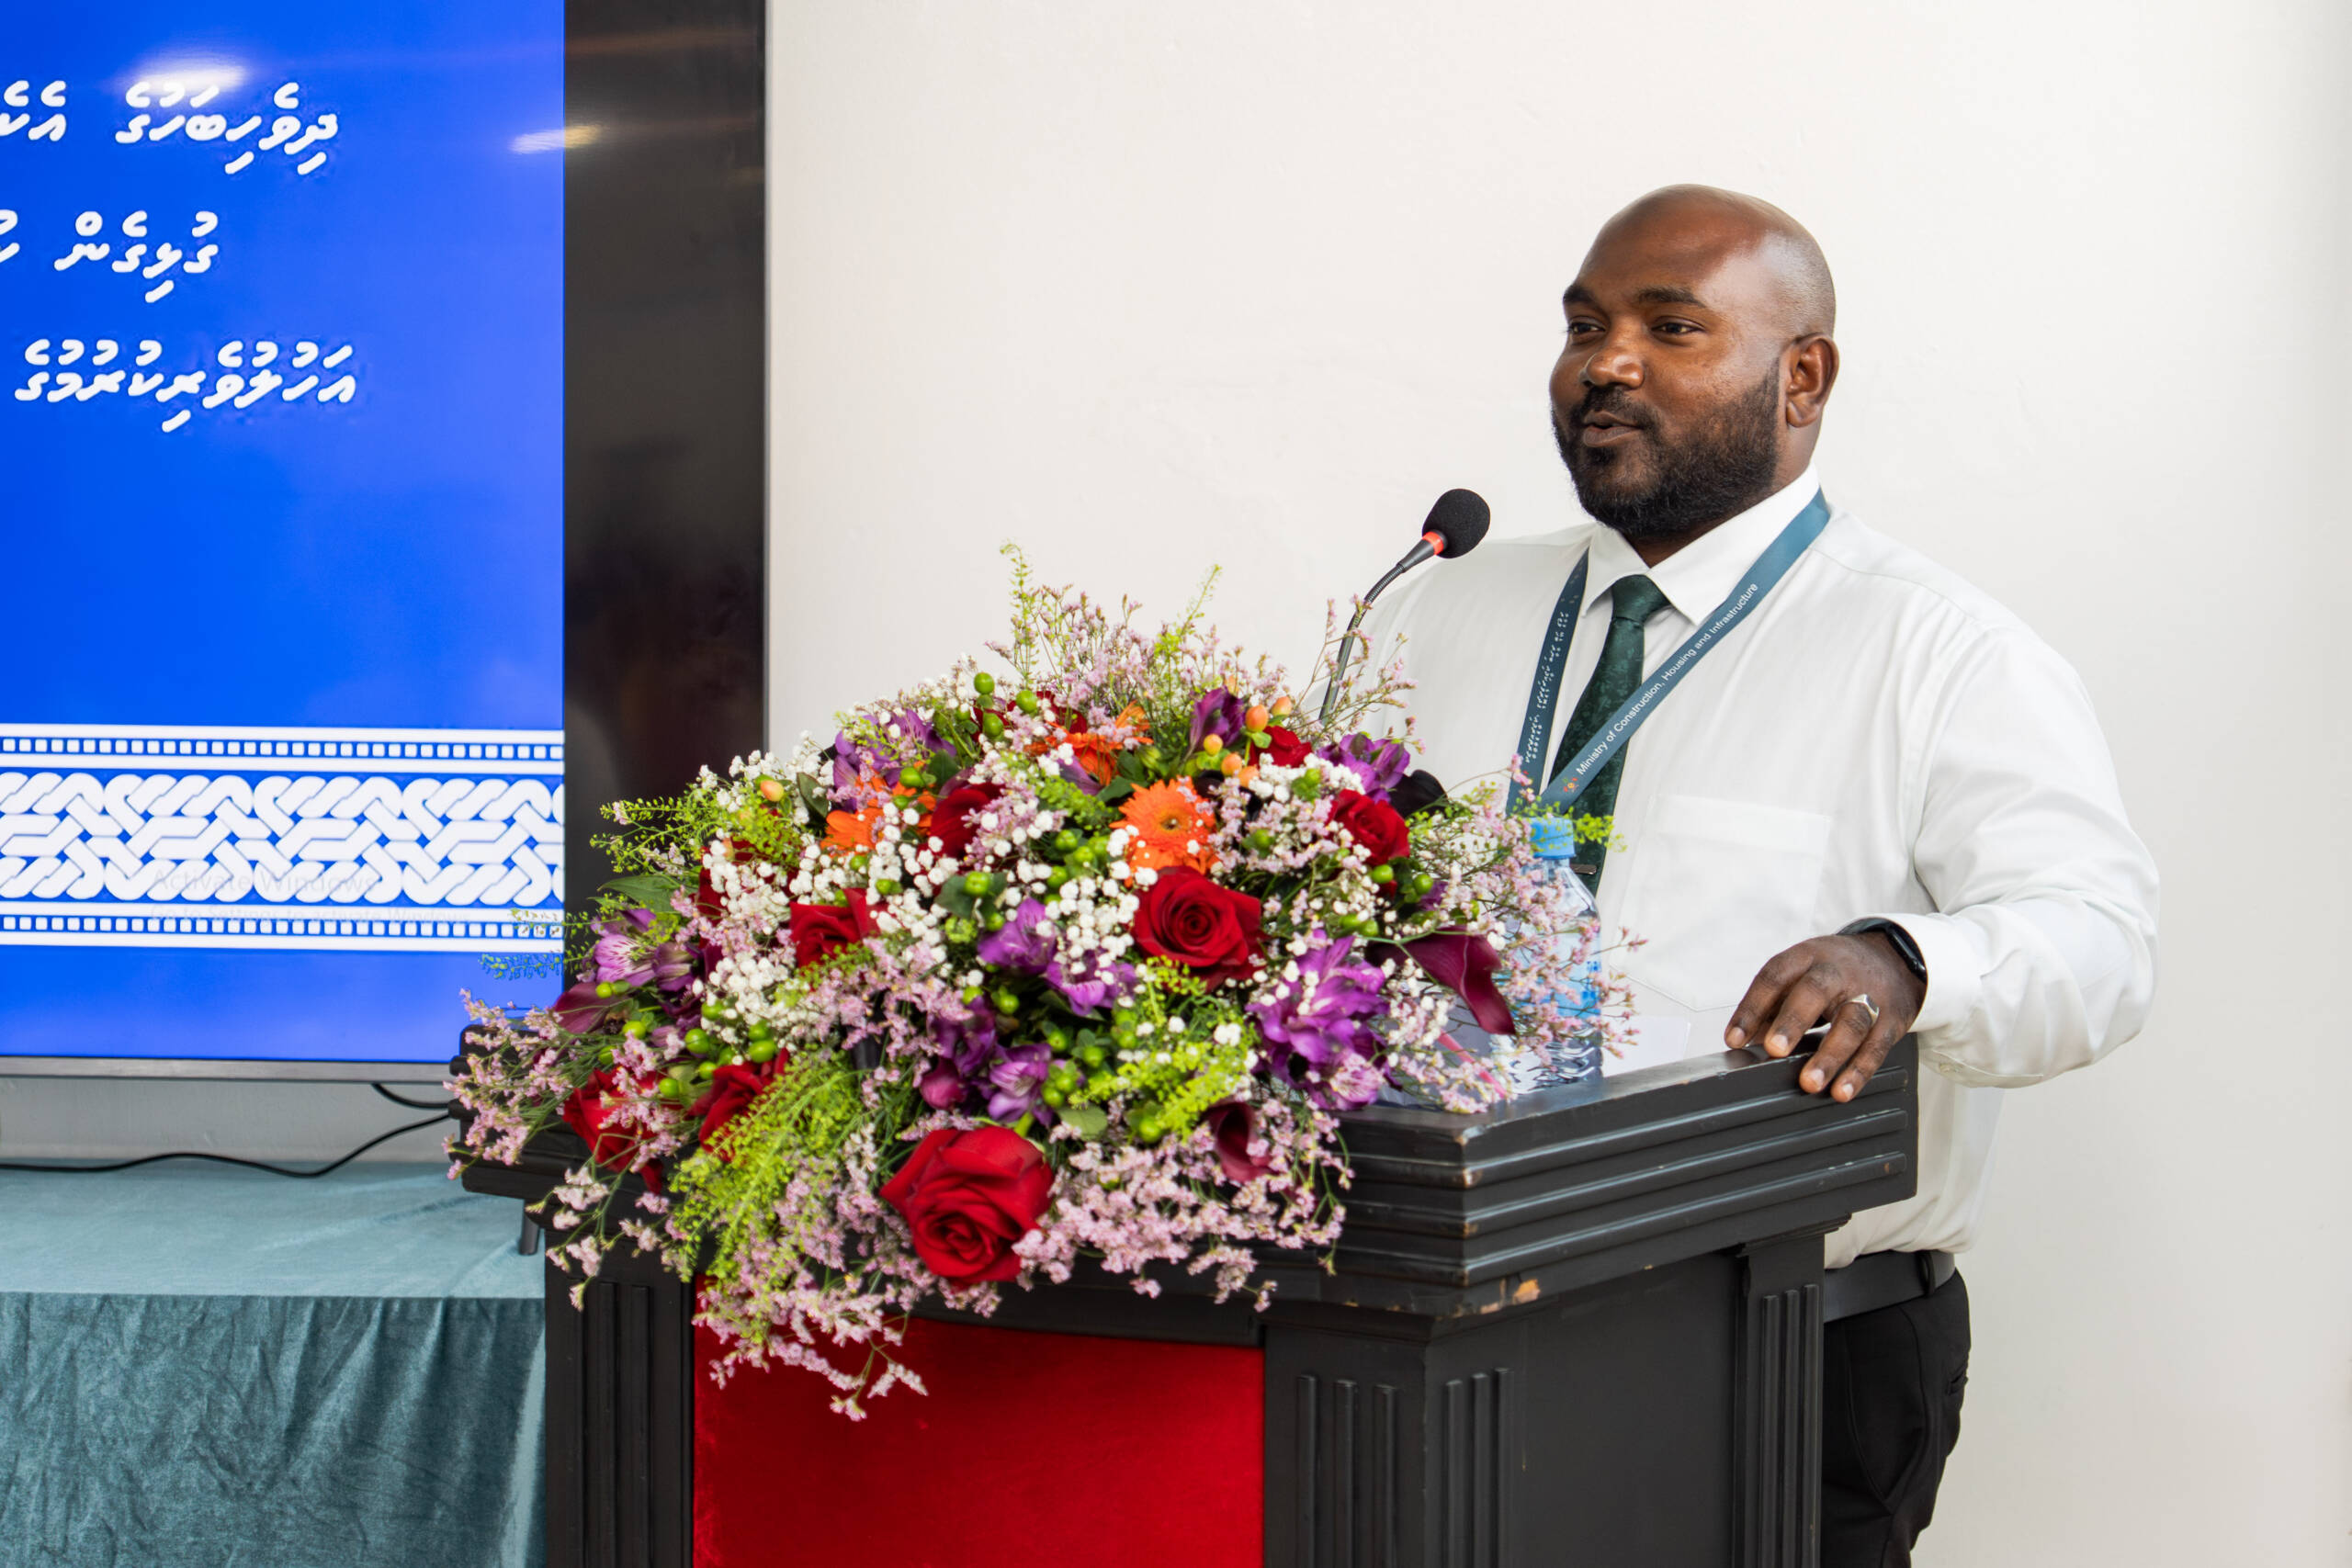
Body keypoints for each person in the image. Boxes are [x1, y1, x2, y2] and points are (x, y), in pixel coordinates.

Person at [1355, 186, 2159, 1566]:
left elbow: (2101, 946)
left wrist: (1906, 961)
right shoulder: (1443, 610)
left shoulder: (1942, 652)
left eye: (1671, 328)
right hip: (1446, 1327)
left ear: (1804, 377)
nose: (1606, 364)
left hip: (1785, 1350)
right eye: (1584, 327)